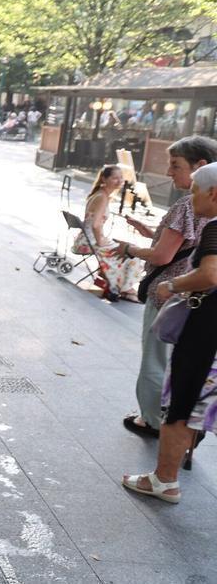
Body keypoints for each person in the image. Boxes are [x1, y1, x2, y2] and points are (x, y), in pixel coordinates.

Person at [123, 161, 217, 503]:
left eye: (195, 191)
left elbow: (211, 274)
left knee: (182, 406)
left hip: (205, 334)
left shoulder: (215, 228)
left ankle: (164, 480)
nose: (191, 198)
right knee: (199, 407)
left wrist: (172, 285)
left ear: (214, 193)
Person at [77, 166, 142, 300]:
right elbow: (95, 225)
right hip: (90, 241)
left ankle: (120, 284)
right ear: (104, 179)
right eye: (115, 178)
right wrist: (101, 241)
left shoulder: (101, 194)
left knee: (129, 247)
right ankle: (125, 288)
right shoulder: (102, 197)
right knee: (132, 253)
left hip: (87, 238)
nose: (119, 181)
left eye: (121, 178)